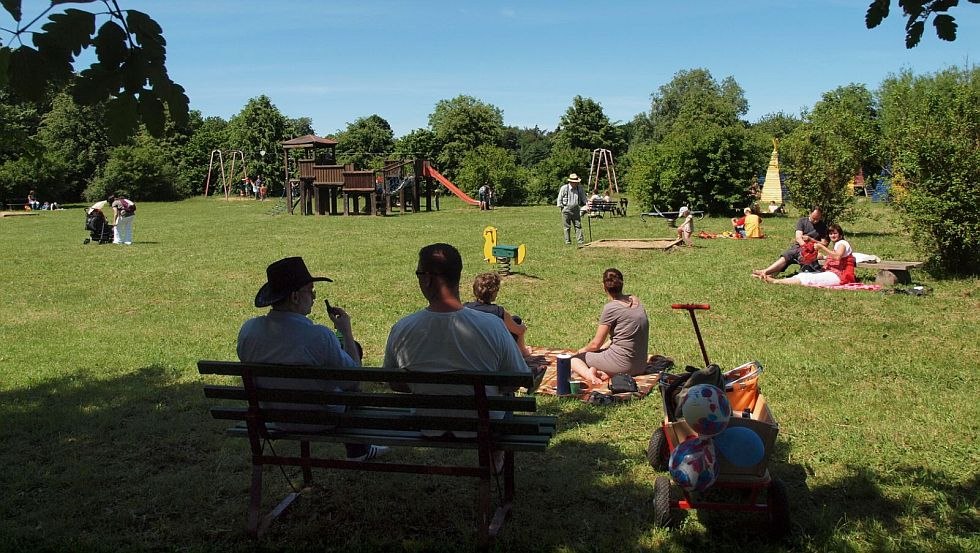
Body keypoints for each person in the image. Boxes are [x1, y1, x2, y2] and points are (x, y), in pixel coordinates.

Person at [237, 256, 389, 461]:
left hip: (276, 418)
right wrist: (346, 332)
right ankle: (358, 449)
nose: (314, 297)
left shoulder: (249, 331)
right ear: (295, 297)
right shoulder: (317, 336)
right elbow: (353, 382)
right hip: (321, 418)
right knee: (354, 355)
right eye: (310, 290)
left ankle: (359, 450)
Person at [383, 243, 530, 441]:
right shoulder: (493, 326)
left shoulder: (402, 329)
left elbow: (396, 384)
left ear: (427, 279)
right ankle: (496, 462)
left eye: (418, 274)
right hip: (483, 423)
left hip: (428, 424)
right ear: (458, 276)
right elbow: (516, 381)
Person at [571, 268, 650, 386]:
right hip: (640, 365)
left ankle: (591, 376)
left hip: (624, 365)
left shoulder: (611, 308)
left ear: (604, 287)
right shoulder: (635, 300)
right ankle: (604, 373)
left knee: (573, 360)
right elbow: (623, 336)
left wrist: (581, 352)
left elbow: (595, 344)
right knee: (602, 353)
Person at [763, 224, 856, 287]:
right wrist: (823, 257)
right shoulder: (839, 243)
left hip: (840, 275)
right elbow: (836, 257)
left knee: (808, 278)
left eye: (835, 233)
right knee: (804, 274)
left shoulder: (842, 243)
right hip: (834, 272)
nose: (832, 235)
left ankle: (776, 281)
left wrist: (822, 247)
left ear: (840, 235)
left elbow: (837, 257)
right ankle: (776, 279)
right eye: (830, 233)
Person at [464, 272, 532, 356]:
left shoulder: (465, 308)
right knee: (516, 320)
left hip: (471, 347)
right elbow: (518, 331)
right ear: (494, 293)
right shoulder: (498, 312)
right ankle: (522, 352)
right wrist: (523, 327)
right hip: (493, 348)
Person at [752, 206, 829, 278]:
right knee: (788, 255)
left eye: (818, 219)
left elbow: (824, 243)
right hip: (800, 246)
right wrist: (804, 247)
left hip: (812, 250)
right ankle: (766, 274)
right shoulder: (802, 221)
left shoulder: (823, 226)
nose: (815, 221)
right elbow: (798, 237)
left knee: (789, 254)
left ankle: (765, 272)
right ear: (810, 213)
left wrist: (810, 239)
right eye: (814, 218)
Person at [556, 173, 585, 245]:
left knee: (578, 225)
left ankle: (580, 241)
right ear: (570, 182)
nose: (576, 184)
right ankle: (568, 242)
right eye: (575, 182)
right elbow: (559, 198)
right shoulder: (564, 188)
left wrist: (587, 205)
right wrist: (561, 207)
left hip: (576, 209)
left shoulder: (580, 188)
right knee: (567, 227)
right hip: (566, 209)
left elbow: (583, 198)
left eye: (577, 182)